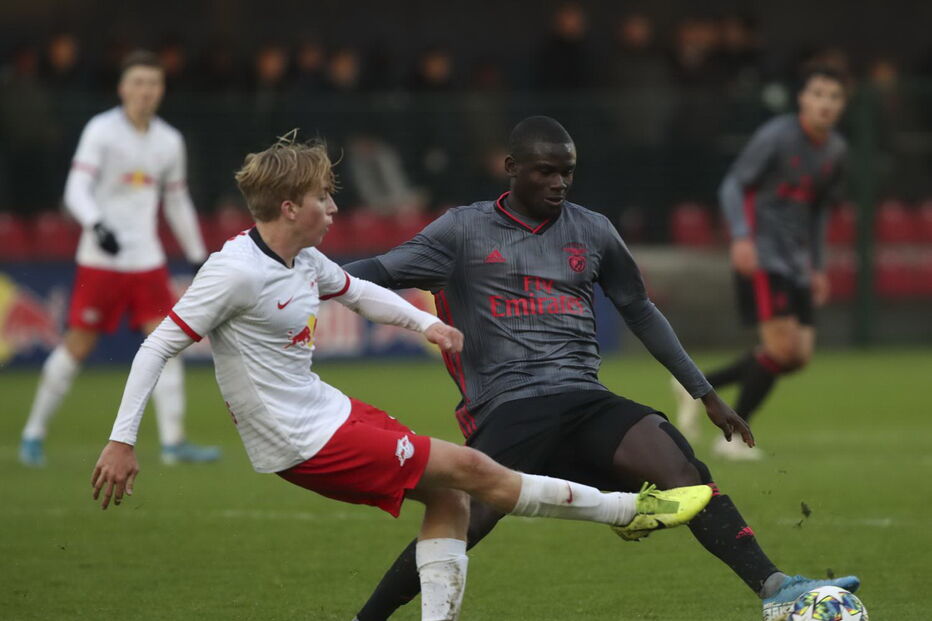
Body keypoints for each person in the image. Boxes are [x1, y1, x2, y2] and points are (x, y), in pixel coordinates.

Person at [90, 134, 714, 621]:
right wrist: (121, 440)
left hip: (325, 409)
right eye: (323, 198)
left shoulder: (299, 257)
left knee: (449, 497)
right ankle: (631, 510)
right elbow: (157, 346)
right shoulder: (234, 272)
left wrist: (427, 327)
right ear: (289, 207)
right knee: (474, 471)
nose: (334, 208)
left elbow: (357, 291)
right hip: (298, 438)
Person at [343, 116, 860, 621]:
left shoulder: (592, 230)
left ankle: (777, 590)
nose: (558, 182)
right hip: (509, 407)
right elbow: (376, 272)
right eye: (545, 171)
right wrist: (303, 278)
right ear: (511, 167)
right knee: (459, 518)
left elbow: (640, 310)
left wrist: (704, 392)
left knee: (684, 473)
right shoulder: (462, 230)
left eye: (566, 171)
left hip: (584, 399)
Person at [19, 50, 218, 467]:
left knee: (167, 342)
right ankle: (33, 433)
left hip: (147, 261)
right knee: (78, 344)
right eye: (139, 83)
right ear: (123, 88)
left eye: (154, 84)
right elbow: (76, 189)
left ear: (162, 90)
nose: (146, 92)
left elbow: (177, 200)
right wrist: (97, 225)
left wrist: (198, 253)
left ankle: (173, 442)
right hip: (101, 261)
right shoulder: (102, 131)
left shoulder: (169, 141)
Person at [674, 66, 848, 461]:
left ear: (842, 106)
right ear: (802, 99)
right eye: (818, 94)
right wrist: (740, 236)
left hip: (797, 261)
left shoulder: (835, 150)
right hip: (763, 255)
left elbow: (819, 211)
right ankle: (732, 436)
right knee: (781, 348)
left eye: (834, 97)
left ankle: (698, 385)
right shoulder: (777, 137)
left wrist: (818, 266)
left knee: (798, 356)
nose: (825, 103)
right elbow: (733, 184)